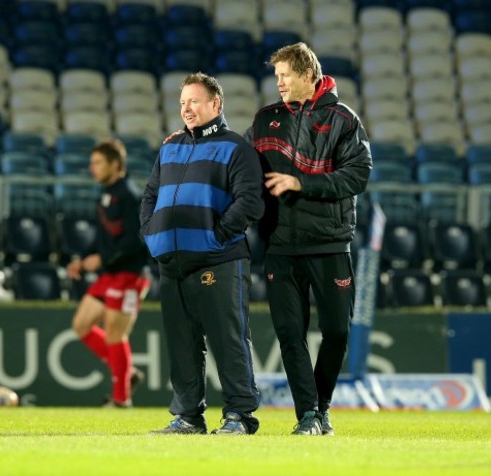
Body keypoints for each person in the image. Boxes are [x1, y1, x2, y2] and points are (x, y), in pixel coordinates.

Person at [245, 42, 373, 436]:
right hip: (280, 244)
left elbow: (358, 175)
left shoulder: (343, 119)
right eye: (277, 76)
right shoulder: (266, 119)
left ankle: (321, 406)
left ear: (307, 74)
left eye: (285, 75)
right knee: (289, 334)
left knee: (336, 331)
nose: (279, 83)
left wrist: (301, 183)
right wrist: (194, 141)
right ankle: (307, 416)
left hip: (330, 242)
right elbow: (239, 162)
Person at [141, 72, 264, 435]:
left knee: (228, 339)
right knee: (181, 344)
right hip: (172, 262)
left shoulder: (236, 148)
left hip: (219, 259)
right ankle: (188, 416)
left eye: (194, 101)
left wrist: (216, 237)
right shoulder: (170, 147)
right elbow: (149, 197)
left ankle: (240, 416)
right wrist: (152, 236)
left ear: (216, 103)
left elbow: (250, 201)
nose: (187, 109)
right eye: (182, 103)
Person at [68, 139, 150, 408]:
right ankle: (127, 373)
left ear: (115, 165)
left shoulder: (129, 196)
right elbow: (105, 236)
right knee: (81, 325)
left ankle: (120, 399)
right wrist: (83, 260)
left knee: (115, 334)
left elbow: (136, 241)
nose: (92, 168)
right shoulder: (106, 194)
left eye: (98, 163)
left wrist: (101, 259)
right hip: (110, 273)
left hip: (129, 274)